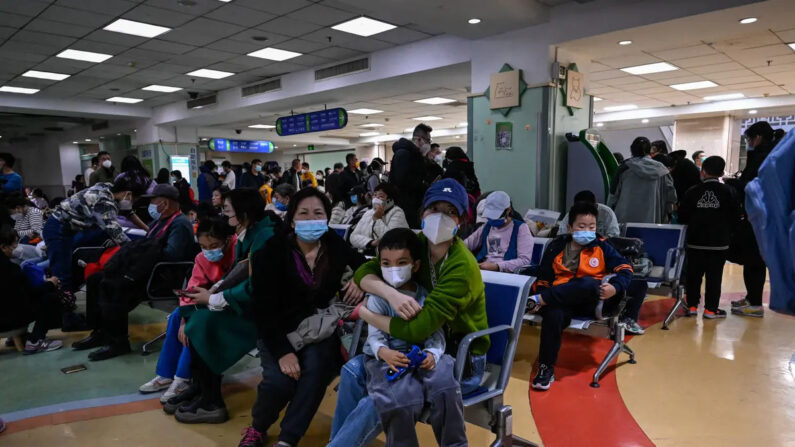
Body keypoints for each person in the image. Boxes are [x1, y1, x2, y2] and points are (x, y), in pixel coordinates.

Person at [329, 178, 489, 447]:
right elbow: (365, 271)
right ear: (422, 212)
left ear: (461, 220)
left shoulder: (463, 267)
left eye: (450, 212)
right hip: (410, 345)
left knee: (378, 397)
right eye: (433, 209)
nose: (440, 217)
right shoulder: (417, 244)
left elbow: (420, 329)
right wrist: (389, 293)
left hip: (456, 353)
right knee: (352, 371)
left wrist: (367, 315)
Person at [237, 188, 366, 447]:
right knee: (280, 382)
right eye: (303, 213)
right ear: (292, 219)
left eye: (318, 213)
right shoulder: (271, 251)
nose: (311, 219)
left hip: (318, 329)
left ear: (327, 217)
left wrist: (361, 279)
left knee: (317, 370)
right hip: (278, 331)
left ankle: (288, 439)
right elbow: (262, 308)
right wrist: (283, 352)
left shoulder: (334, 245)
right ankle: (258, 427)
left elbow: (365, 263)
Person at [168, 189, 276, 423]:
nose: (225, 215)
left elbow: (255, 285)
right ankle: (202, 387)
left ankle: (212, 401)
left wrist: (214, 298)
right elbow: (238, 273)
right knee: (188, 313)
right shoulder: (249, 233)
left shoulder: (265, 237)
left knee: (202, 322)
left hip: (261, 311)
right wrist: (214, 292)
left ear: (244, 212)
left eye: (228, 210)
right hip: (242, 301)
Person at [360, 228, 466, 447]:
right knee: (398, 401)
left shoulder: (425, 297)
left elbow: (435, 334)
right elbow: (375, 335)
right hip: (388, 356)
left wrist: (432, 354)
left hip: (420, 352)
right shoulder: (378, 299)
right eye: (386, 264)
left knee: (445, 386)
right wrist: (384, 352)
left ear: (416, 266)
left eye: (402, 262)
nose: (393, 270)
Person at [72, 184, 195, 361]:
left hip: (161, 277)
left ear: (165, 203)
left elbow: (171, 256)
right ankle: (100, 332)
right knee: (95, 279)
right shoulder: (159, 221)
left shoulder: (180, 224)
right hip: (145, 272)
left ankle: (118, 342)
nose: (151, 205)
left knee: (114, 285)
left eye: (153, 201)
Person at [527, 202, 633, 390]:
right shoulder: (556, 245)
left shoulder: (603, 247)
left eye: (591, 227)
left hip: (589, 301)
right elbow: (544, 276)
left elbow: (625, 269)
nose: (587, 231)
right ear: (570, 228)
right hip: (560, 300)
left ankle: (539, 301)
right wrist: (543, 293)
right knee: (554, 314)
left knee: (589, 283)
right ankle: (545, 368)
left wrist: (615, 288)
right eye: (581, 227)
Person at [138, 217, 236, 404]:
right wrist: (184, 318)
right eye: (203, 246)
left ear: (227, 240)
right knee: (177, 317)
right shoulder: (201, 259)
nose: (209, 251)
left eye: (214, 245)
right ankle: (166, 374)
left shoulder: (237, 254)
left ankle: (182, 378)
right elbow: (191, 289)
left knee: (196, 325)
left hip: (227, 305)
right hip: (206, 302)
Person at [42, 179, 134, 294]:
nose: (130, 200)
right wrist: (135, 248)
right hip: (58, 228)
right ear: (127, 193)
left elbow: (125, 217)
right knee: (61, 273)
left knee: (64, 266)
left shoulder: (106, 188)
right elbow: (115, 232)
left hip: (64, 228)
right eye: (131, 196)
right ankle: (63, 306)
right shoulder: (104, 202)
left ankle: (65, 300)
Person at [678, 156, 738, 319]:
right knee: (714, 276)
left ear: (703, 171)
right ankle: (711, 309)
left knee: (694, 275)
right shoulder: (729, 192)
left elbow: (682, 216)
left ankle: (691, 306)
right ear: (722, 172)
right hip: (719, 243)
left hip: (695, 242)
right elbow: (735, 216)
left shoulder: (692, 192)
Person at [731, 121, 779, 318]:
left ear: (757, 138)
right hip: (763, 215)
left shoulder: (763, 157)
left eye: (749, 139)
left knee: (753, 259)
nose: (748, 143)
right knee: (752, 258)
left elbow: (754, 186)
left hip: (759, 217)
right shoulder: (772, 155)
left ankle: (756, 303)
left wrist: (735, 183)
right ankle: (752, 297)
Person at [0, 225, 64, 354]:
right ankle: (36, 341)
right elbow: (30, 294)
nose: (16, 248)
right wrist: (51, 284)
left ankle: (15, 338)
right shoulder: (10, 269)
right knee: (50, 298)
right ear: (3, 247)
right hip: (7, 320)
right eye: (14, 244)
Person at [608, 136, 677, 224]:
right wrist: (668, 213)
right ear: (649, 150)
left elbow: (613, 195)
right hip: (653, 220)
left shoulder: (624, 168)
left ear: (632, 150)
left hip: (624, 220)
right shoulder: (662, 170)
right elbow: (671, 196)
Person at [464, 190, 533, 272]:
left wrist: (497, 266)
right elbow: (466, 244)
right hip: (483, 270)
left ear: (508, 210)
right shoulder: (487, 227)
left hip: (507, 274)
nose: (492, 219)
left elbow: (524, 261)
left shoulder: (521, 228)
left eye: (496, 215)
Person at [389, 125, 431, 228]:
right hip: (405, 207)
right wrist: (423, 185)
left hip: (414, 204)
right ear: (418, 139)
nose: (428, 144)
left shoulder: (416, 155)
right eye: (427, 140)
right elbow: (402, 181)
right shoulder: (403, 154)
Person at [349, 183, 409, 253]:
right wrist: (370, 242)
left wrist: (377, 219)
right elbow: (353, 237)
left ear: (390, 200)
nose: (376, 198)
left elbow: (392, 240)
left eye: (381, 196)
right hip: (366, 254)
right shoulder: (368, 213)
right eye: (374, 195)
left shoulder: (397, 213)